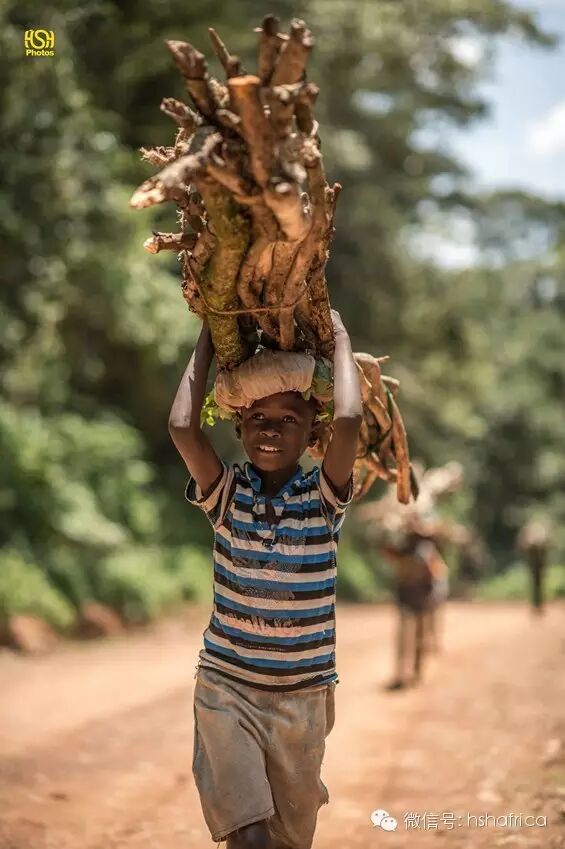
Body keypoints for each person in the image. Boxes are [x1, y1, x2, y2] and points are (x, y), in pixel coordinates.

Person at [168, 310, 362, 849]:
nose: (271, 430)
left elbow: (348, 419)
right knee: (248, 837)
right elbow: (182, 426)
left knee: (286, 840)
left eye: (288, 420)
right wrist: (209, 332)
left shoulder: (323, 500)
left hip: (302, 699)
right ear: (239, 426)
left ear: (311, 433)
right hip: (226, 688)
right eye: (257, 419)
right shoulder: (227, 494)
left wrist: (342, 339)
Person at [381, 531, 449, 690]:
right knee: (407, 639)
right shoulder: (403, 550)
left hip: (420, 601)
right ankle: (404, 673)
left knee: (417, 638)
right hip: (409, 600)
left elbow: (434, 574)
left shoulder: (424, 551)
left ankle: (414, 673)